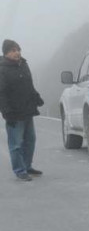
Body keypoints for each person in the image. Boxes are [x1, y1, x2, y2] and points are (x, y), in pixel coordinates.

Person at [0, 39, 44, 181]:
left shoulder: (23, 64)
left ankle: (27, 166)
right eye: (13, 50)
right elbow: (2, 93)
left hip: (27, 110)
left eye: (18, 50)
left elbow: (29, 85)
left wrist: (36, 97)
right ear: (6, 53)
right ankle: (19, 170)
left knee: (30, 140)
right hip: (14, 113)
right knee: (16, 144)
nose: (17, 53)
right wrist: (7, 112)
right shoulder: (2, 69)